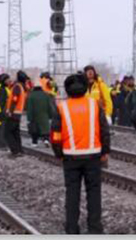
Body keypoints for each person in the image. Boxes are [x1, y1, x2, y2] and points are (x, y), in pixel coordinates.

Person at [50, 73, 110, 234]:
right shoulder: (94, 105)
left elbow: (55, 135)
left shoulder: (62, 107)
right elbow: (104, 130)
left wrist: (58, 154)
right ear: (85, 89)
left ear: (67, 90)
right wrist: (105, 151)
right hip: (93, 156)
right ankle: (95, 229)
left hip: (70, 157)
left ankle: (72, 229)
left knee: (72, 193)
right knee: (94, 193)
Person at [5, 71, 30, 157]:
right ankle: (19, 150)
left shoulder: (17, 87)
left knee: (8, 132)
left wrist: (10, 112)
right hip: (18, 113)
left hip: (14, 113)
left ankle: (15, 151)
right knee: (16, 133)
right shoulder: (22, 87)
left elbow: (14, 100)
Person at [26, 76, 53, 145]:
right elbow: (50, 106)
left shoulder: (31, 95)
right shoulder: (46, 95)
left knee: (35, 130)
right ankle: (46, 140)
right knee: (45, 129)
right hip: (44, 116)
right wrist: (50, 115)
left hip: (35, 117)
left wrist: (29, 117)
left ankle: (34, 142)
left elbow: (29, 108)